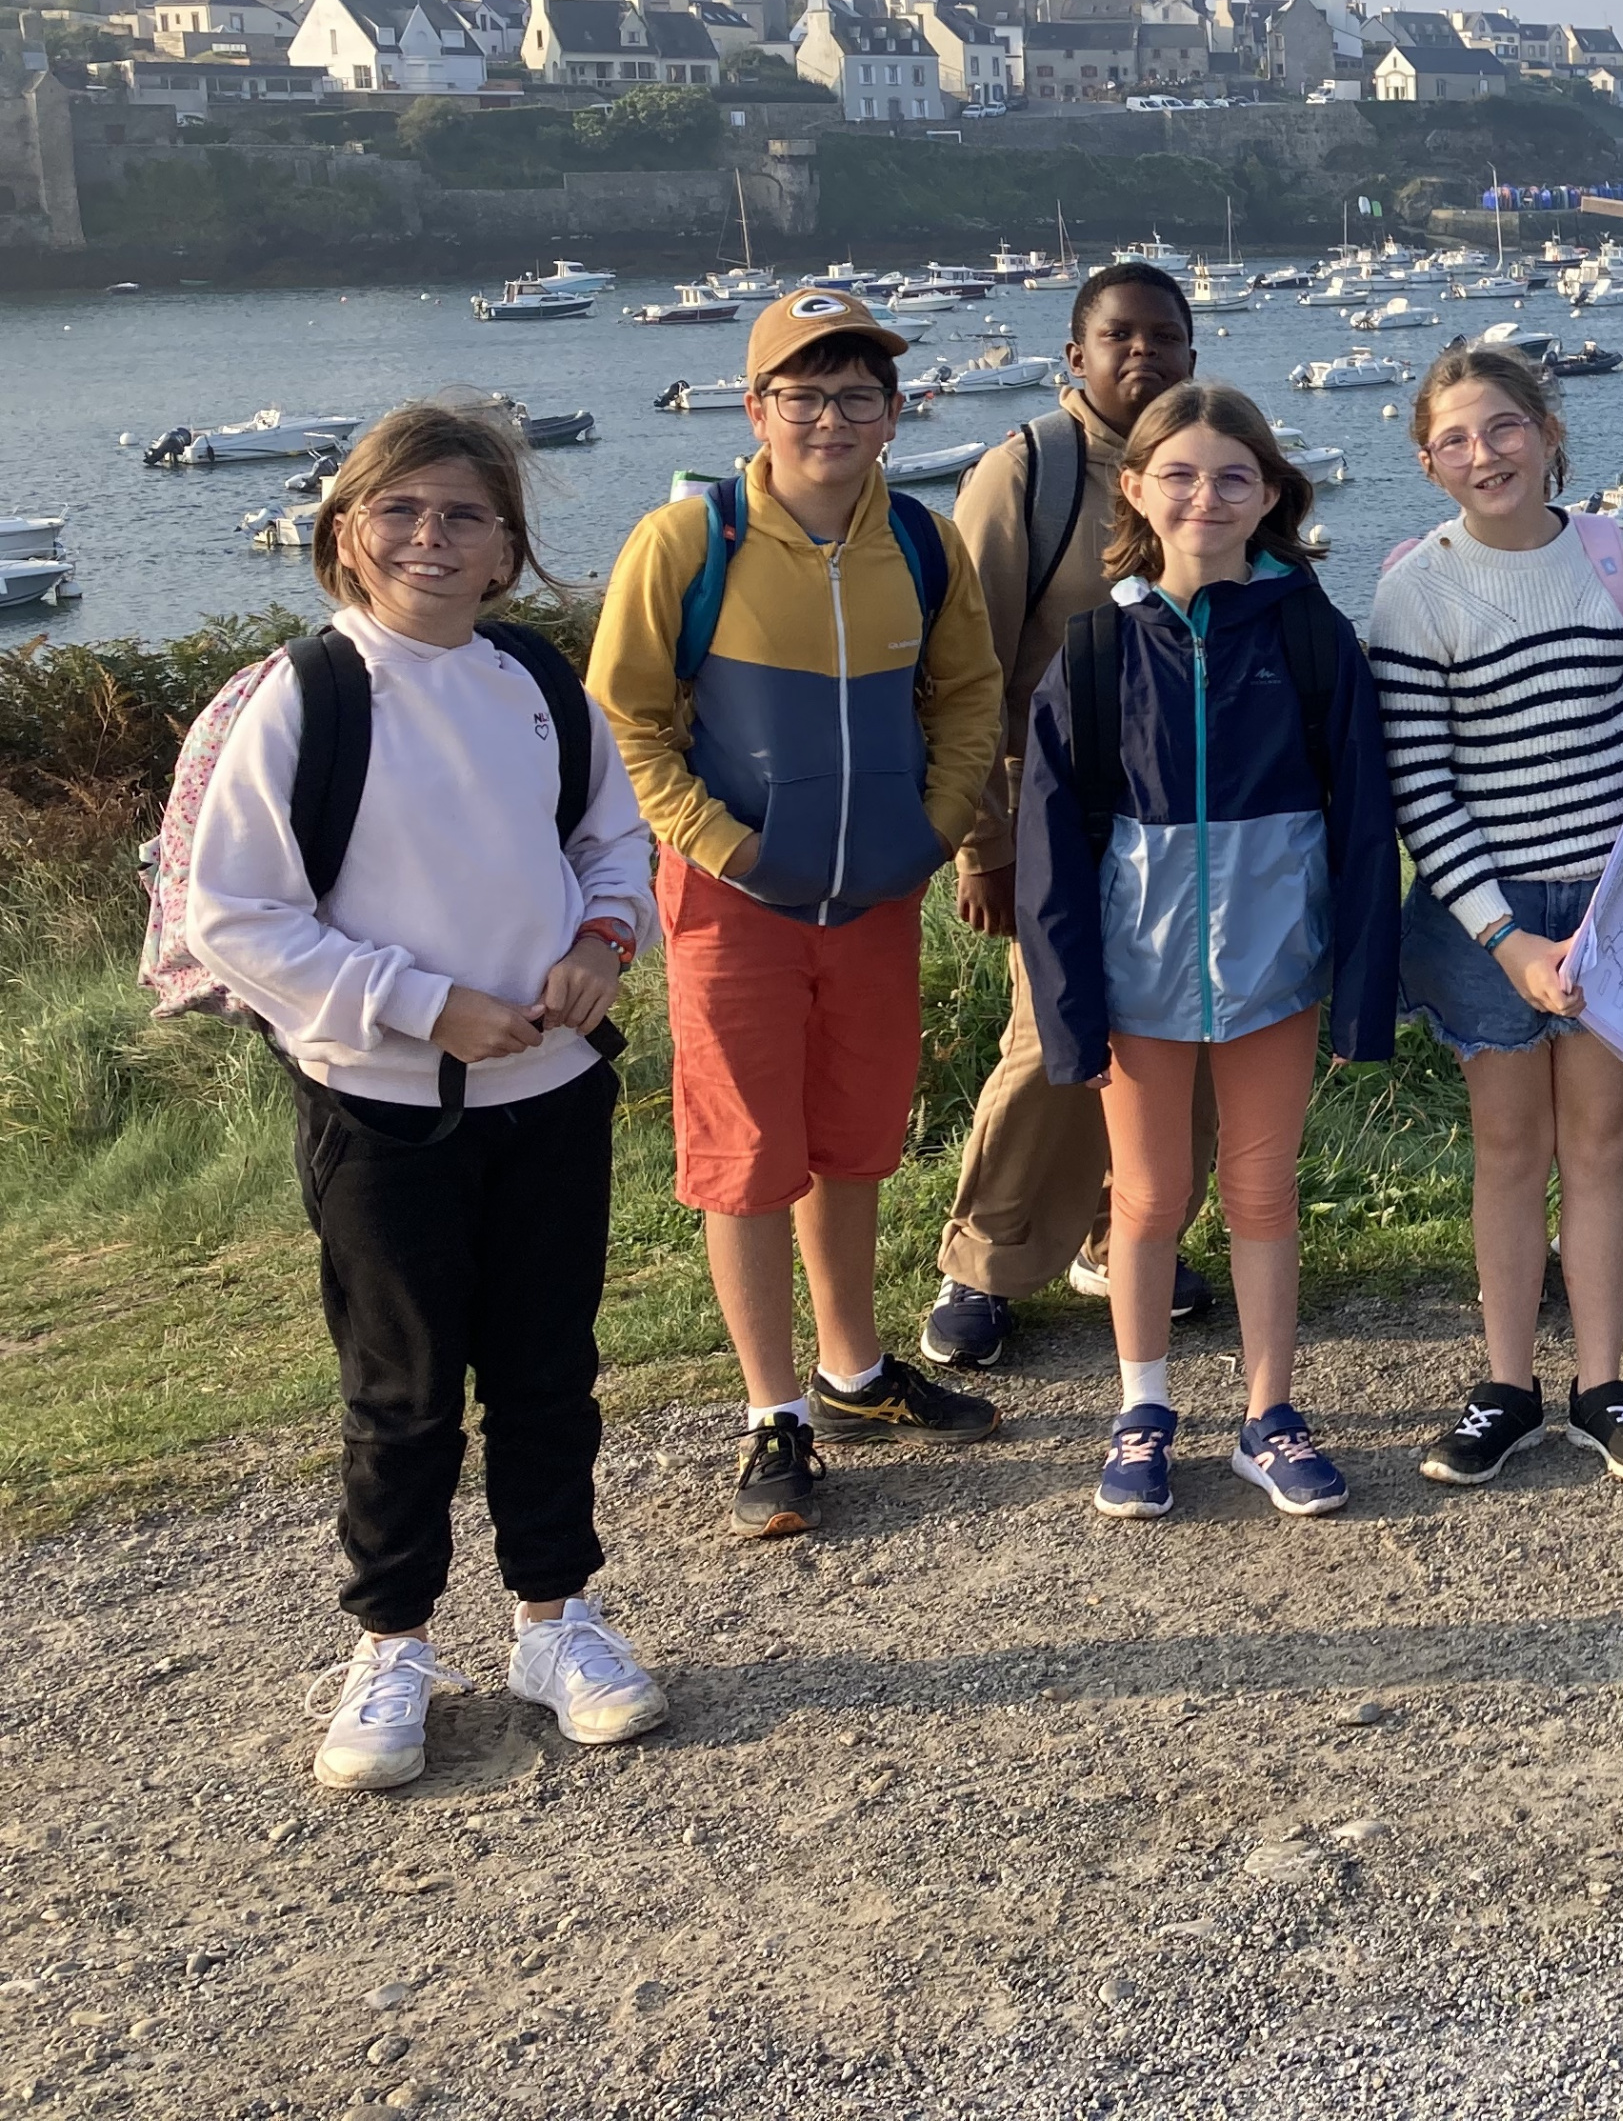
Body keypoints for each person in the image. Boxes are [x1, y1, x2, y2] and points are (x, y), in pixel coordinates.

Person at [186, 404, 673, 1790]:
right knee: (400, 1391)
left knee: (545, 1370)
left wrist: (602, 944)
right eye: (398, 510)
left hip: (552, 1088)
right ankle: (391, 1645)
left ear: (507, 551)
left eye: (465, 515)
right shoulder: (307, 696)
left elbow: (613, 840)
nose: (431, 538)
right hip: (382, 1106)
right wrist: (421, 1004)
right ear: (345, 535)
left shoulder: (539, 682)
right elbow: (237, 917)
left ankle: (555, 1623)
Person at [589, 290, 1007, 1541]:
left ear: (894, 413)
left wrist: (937, 826)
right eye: (805, 395)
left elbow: (969, 695)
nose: (832, 419)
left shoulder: (924, 543)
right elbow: (628, 720)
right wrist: (725, 846)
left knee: (854, 1136)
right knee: (745, 1155)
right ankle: (771, 1412)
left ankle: (853, 1371)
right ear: (755, 407)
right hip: (733, 905)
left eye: (858, 396)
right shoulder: (687, 540)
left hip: (873, 896)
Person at [1016, 384, 1399, 1520]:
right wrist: (1068, 1011)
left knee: (1262, 1191)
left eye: (1234, 477)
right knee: (1145, 1199)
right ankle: (1141, 1412)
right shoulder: (1093, 651)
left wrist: (1363, 993)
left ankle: (1269, 1415)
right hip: (1135, 977)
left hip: (1277, 970)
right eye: (1178, 475)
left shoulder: (1312, 637)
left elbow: (1365, 824)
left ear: (1270, 494)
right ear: (1134, 489)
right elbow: (1049, 851)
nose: (1206, 497)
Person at [1370, 345, 1623, 1486]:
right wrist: (1505, 936)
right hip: (1491, 917)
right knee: (1509, 1148)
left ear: (1548, 430)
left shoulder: (1621, 555)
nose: (1485, 455)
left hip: (1620, 899)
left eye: (1504, 427)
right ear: (1429, 464)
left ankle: (1604, 1386)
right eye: (1456, 440)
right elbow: (1422, 790)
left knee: (1601, 1142)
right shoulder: (1414, 591)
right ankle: (1508, 1386)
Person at [926, 260, 1207, 1371]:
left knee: (1183, 1031)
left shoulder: (1209, 460)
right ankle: (983, 1263)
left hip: (1195, 820)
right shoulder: (1028, 474)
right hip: (1057, 812)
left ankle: (1122, 1234)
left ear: (1192, 353)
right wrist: (983, 840)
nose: (1143, 353)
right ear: (1076, 354)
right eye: (1119, 336)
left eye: (1163, 337)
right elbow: (965, 671)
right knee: (1052, 1036)